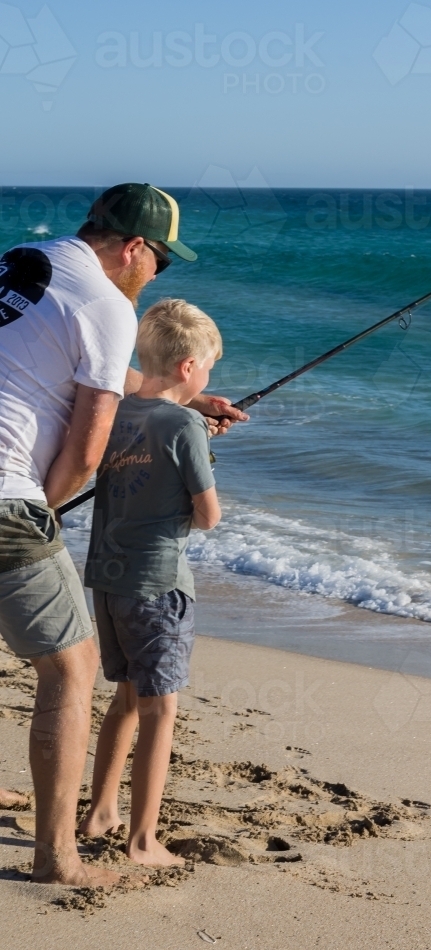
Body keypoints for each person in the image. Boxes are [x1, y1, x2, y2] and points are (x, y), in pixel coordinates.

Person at [0, 184, 246, 886]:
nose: (155, 279)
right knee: (70, 671)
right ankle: (58, 858)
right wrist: (40, 515)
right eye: (160, 263)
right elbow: (86, 449)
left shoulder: (25, 258)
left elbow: (86, 365)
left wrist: (185, 398)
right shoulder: (109, 303)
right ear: (134, 248)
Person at [78, 299, 222, 866]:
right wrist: (201, 448)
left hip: (108, 580)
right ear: (188, 366)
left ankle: (99, 811)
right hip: (158, 583)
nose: (208, 376)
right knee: (161, 710)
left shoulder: (117, 412)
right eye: (207, 366)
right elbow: (207, 515)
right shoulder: (184, 423)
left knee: (126, 699)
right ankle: (142, 841)